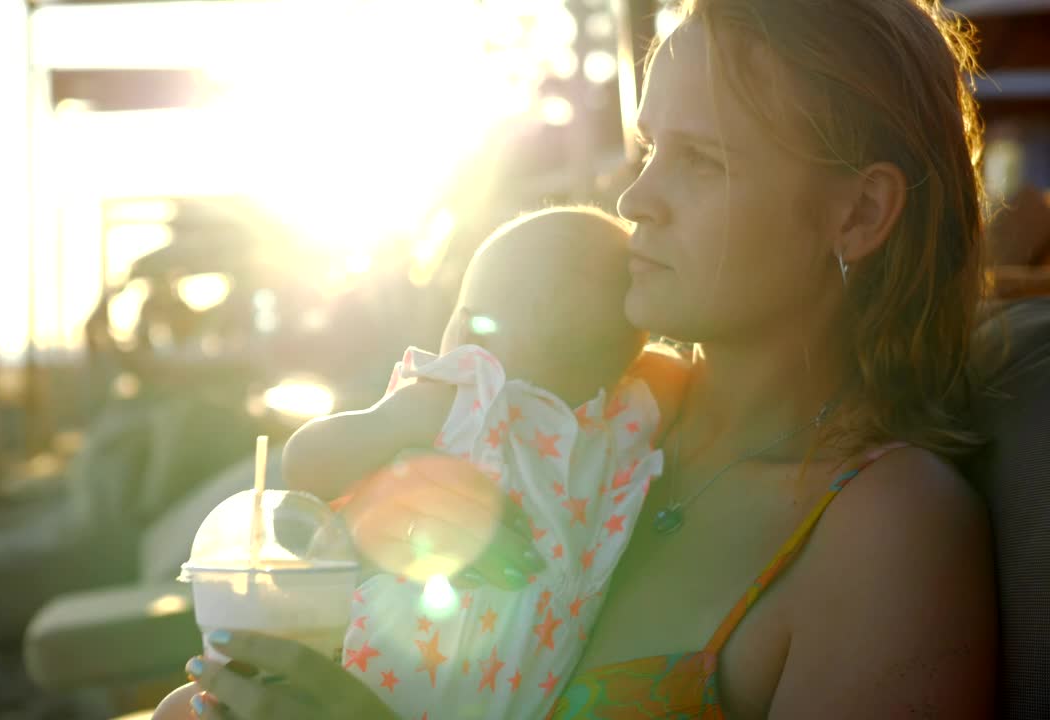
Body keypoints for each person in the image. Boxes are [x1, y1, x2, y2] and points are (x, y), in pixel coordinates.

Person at [154, 0, 997, 717]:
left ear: (859, 214)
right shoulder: (574, 413)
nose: (636, 199)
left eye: (702, 161)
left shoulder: (889, 534)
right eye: (649, 149)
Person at [281, 207, 674, 720]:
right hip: (512, 697)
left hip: (379, 675)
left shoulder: (462, 393)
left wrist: (380, 429)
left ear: (469, 332)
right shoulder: (620, 428)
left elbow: (306, 463)